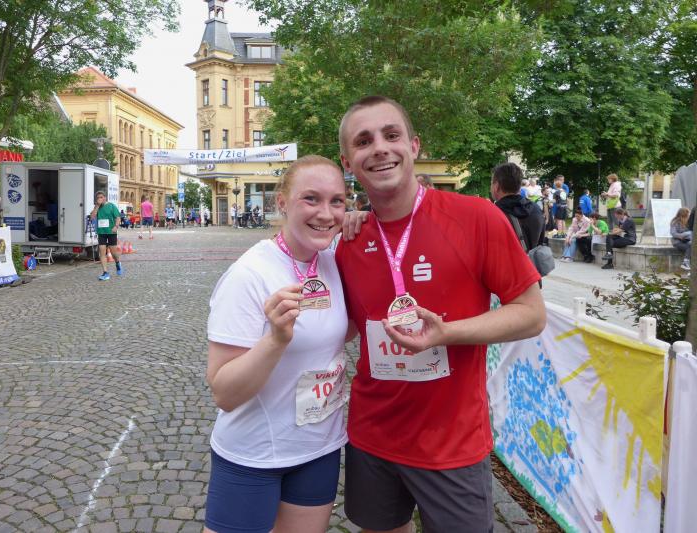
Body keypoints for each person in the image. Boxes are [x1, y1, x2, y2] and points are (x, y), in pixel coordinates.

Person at [336, 95, 545, 532]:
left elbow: (531, 314)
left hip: (453, 444)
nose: (379, 148)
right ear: (348, 162)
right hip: (372, 436)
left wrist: (447, 332)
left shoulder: (476, 217)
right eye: (363, 141)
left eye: (391, 135)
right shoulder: (349, 241)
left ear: (414, 146)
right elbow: (346, 326)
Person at [204, 155, 351, 533]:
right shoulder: (249, 274)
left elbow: (334, 332)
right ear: (282, 203)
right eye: (311, 199)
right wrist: (275, 340)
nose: (326, 213)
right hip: (254, 454)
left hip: (319, 448)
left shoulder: (332, 261)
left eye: (337, 201)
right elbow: (224, 393)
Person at [491, 162, 545, 255]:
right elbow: (540, 244)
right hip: (530, 263)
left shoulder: (493, 213)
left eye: (491, 183)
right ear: (519, 186)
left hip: (503, 263)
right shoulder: (536, 209)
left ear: (496, 186)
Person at [89, 191, 122, 281]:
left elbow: (118, 217)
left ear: (105, 197)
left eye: (101, 197)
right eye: (98, 198)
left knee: (114, 253)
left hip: (111, 232)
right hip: (101, 232)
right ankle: (105, 272)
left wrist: (116, 226)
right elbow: (92, 217)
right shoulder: (97, 207)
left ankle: (117, 262)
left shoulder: (111, 206)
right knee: (102, 252)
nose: (99, 199)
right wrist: (97, 206)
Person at [670, 207, 692, 271]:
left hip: (686, 240)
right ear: (683, 216)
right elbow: (673, 233)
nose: (689, 217)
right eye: (687, 216)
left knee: (692, 245)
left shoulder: (688, 222)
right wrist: (682, 235)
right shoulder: (675, 222)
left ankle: (690, 268)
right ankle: (685, 262)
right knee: (690, 247)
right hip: (677, 242)